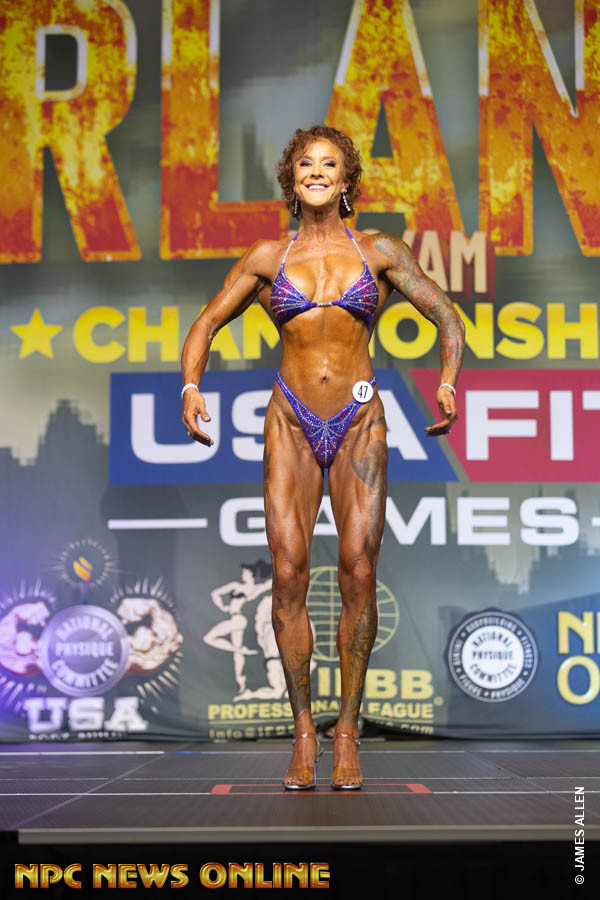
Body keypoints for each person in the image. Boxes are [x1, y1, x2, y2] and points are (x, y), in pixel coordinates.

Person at [181, 125, 465, 790]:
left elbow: (447, 316)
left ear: (346, 180)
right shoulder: (266, 258)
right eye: (305, 163)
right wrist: (191, 387)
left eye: (328, 164)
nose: (316, 171)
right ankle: (304, 731)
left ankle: (348, 731)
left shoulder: (380, 251)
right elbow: (207, 322)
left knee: (359, 571)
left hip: (360, 420)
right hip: (290, 421)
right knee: (288, 574)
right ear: (292, 178)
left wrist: (448, 382)